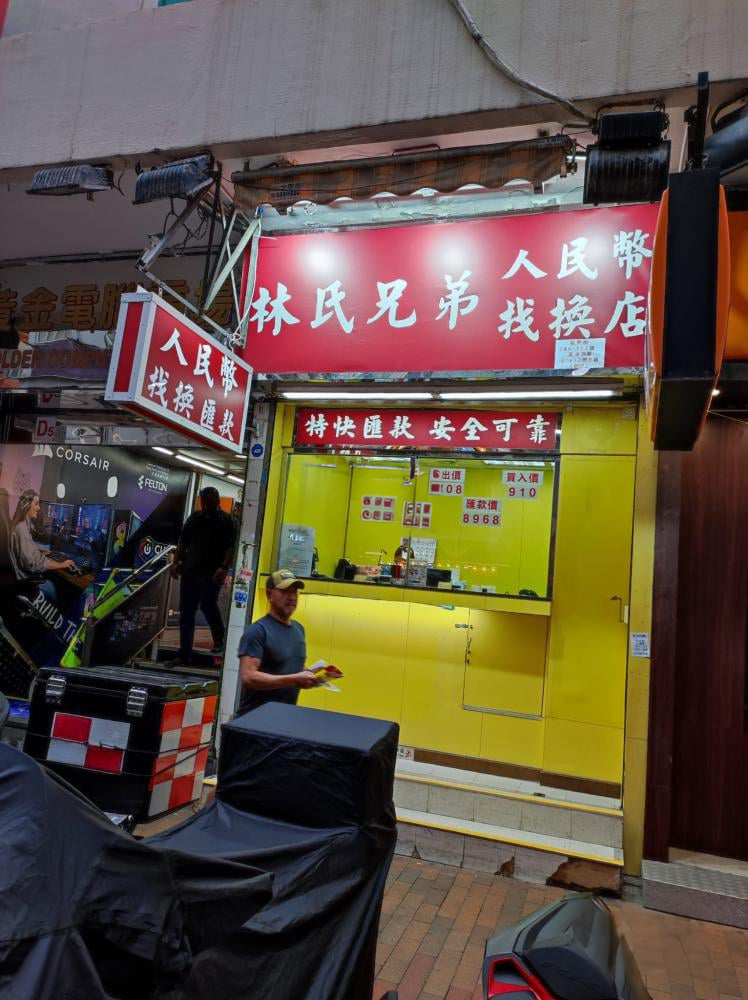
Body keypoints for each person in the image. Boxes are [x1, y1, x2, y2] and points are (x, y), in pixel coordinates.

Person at [236, 569, 320, 715]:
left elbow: (286, 667)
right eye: (285, 591)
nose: (292, 597)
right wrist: (294, 679)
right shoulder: (257, 631)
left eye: (294, 592)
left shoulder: (299, 629)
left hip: (285, 717)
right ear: (269, 595)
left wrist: (307, 674)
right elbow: (248, 677)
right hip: (254, 719)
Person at [170, 486, 236, 666]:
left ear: (218, 501)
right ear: (201, 501)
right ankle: (184, 654)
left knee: (207, 604)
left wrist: (224, 567)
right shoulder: (195, 518)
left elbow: (231, 547)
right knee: (186, 611)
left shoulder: (227, 520)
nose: (208, 506)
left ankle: (220, 640)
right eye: (205, 502)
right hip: (191, 571)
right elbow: (183, 542)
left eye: (211, 502)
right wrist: (175, 563)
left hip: (213, 573)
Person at [9, 490, 76, 578]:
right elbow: (34, 564)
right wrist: (62, 564)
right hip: (26, 579)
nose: (39, 508)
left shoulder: (21, 524)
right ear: (26, 505)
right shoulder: (22, 528)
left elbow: (25, 553)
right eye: (36, 504)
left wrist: (39, 554)